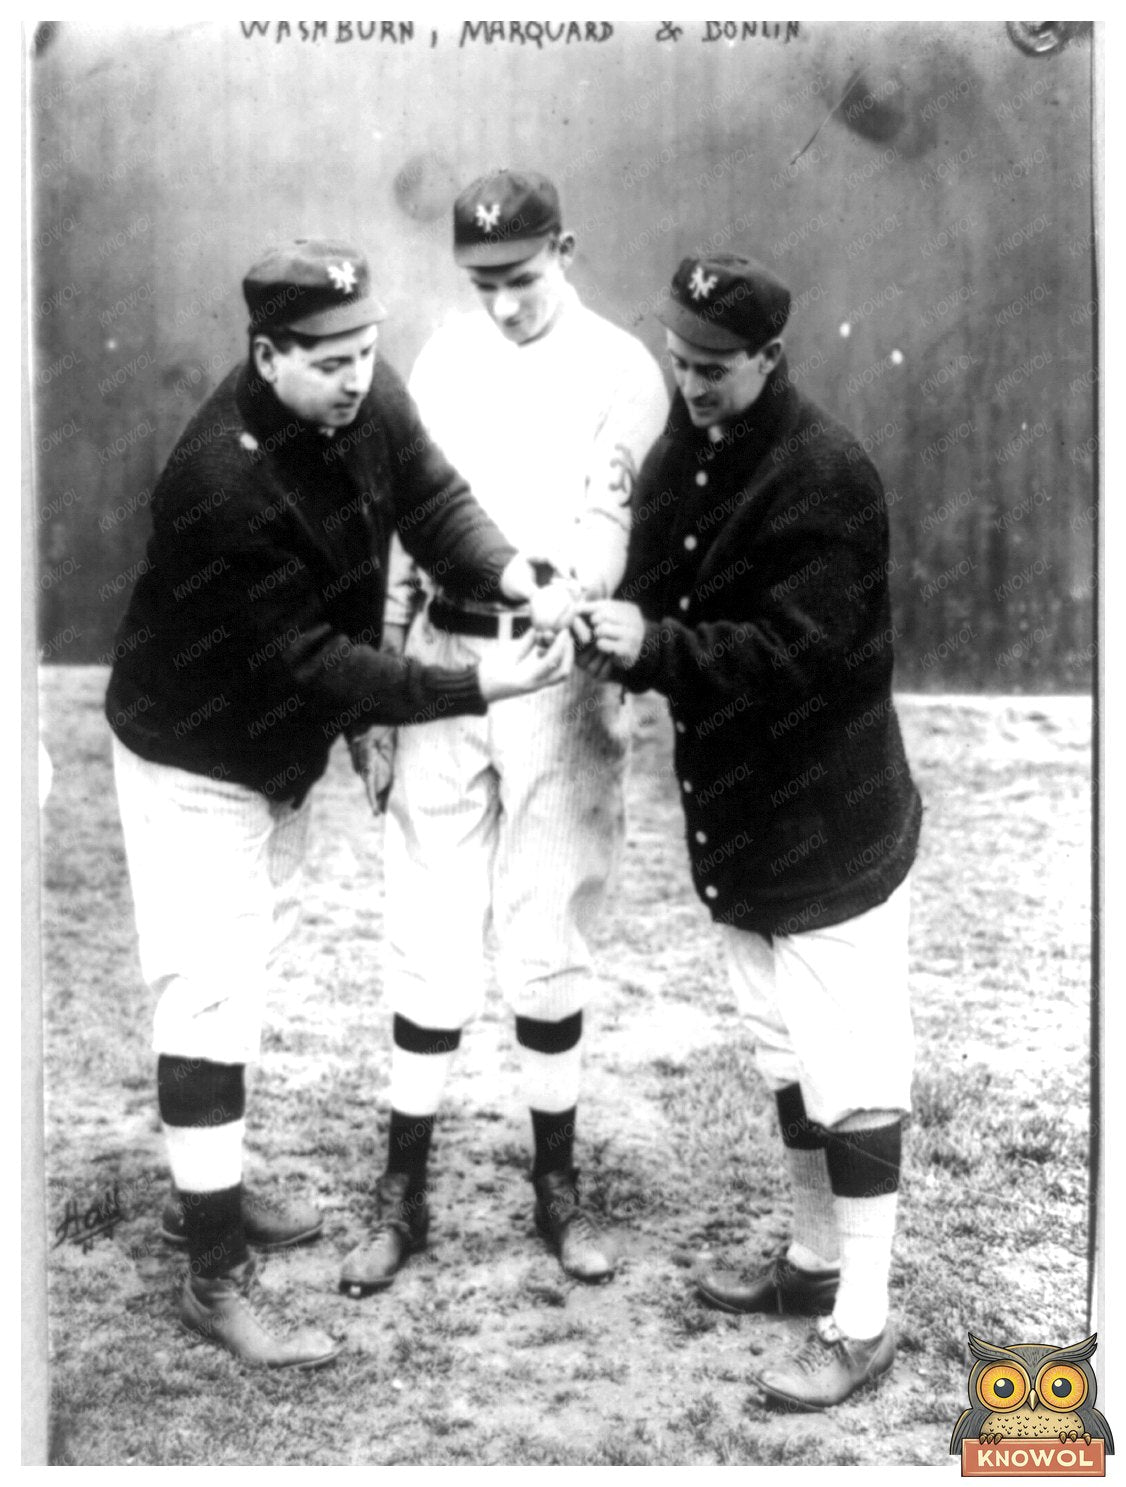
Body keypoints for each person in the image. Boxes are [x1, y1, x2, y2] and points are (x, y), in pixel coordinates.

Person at [104, 239, 570, 1368]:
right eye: (327, 361)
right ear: (265, 353)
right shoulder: (222, 477)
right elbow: (315, 663)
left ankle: (205, 1188)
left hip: (273, 751)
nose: (357, 376)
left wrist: (513, 573)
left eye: (364, 350)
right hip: (196, 756)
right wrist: (472, 681)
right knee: (205, 997)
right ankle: (212, 1273)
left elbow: (433, 496)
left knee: (245, 971)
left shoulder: (363, 387)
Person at [582, 252, 923, 1409]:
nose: (690, 382)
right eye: (679, 360)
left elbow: (799, 662)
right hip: (739, 820)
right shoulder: (699, 440)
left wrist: (654, 648)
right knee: (785, 1051)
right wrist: (602, 613)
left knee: (854, 1068)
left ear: (771, 356)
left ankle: (863, 1315)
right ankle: (812, 1256)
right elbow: (656, 568)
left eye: (714, 368)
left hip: (830, 826)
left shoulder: (825, 473)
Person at [339, 170, 667, 1296]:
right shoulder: (443, 356)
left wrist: (566, 596)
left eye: (521, 279)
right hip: (441, 654)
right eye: (482, 283)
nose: (504, 303)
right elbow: (404, 519)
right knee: (427, 921)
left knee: (546, 920)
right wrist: (384, 681)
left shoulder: (621, 367)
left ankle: (556, 1185)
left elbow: (608, 515)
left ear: (563, 248)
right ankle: (403, 1190)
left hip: (556, 670)